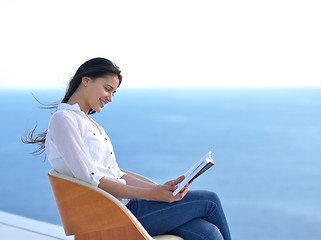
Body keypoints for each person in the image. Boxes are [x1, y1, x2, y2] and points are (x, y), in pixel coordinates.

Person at [25, 57, 232, 240]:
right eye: (107, 89)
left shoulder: (89, 123)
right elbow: (93, 180)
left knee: (207, 231)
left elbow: (116, 174)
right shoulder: (64, 119)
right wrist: (153, 195)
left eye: (114, 92)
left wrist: (160, 189)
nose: (110, 98)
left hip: (124, 207)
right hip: (113, 214)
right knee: (210, 200)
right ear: (86, 81)